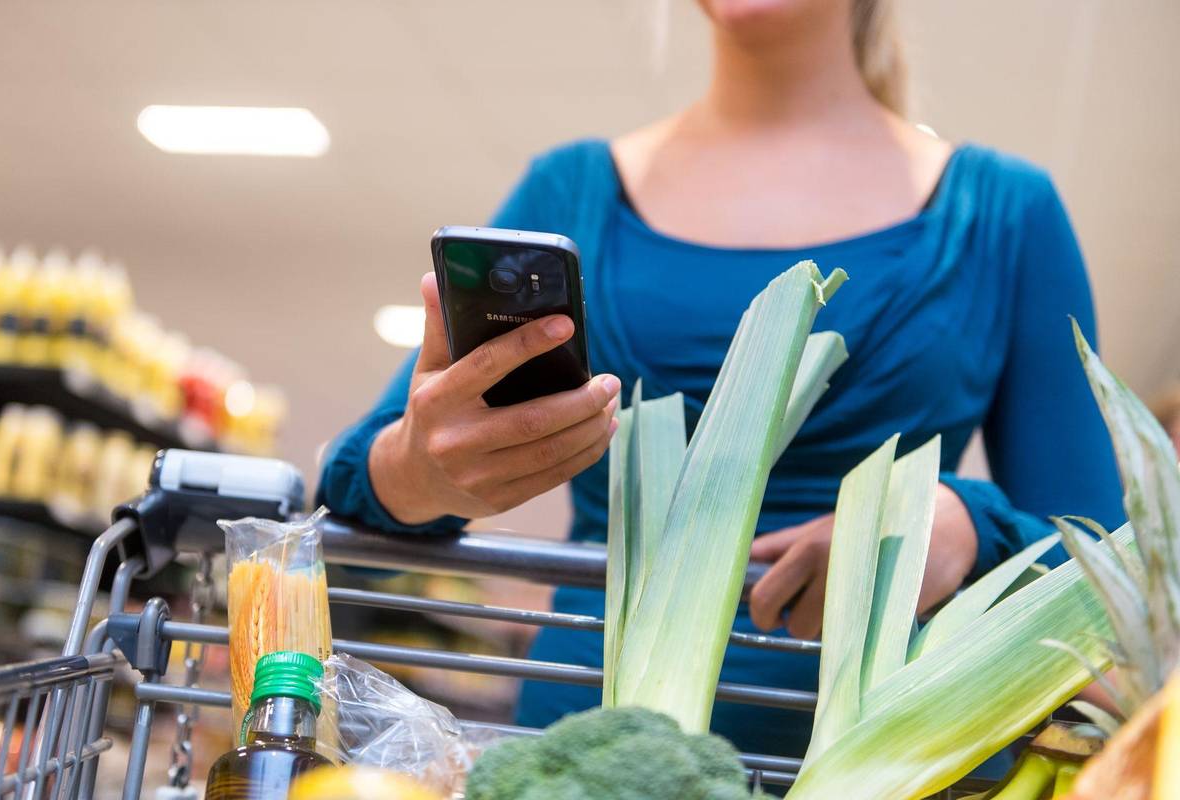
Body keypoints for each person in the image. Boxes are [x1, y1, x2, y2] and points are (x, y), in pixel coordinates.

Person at [319, 0, 1124, 760]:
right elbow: (353, 490)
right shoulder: (572, 189)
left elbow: (1111, 567)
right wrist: (423, 469)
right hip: (585, 748)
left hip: (871, 754)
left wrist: (967, 526)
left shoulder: (1004, 214)